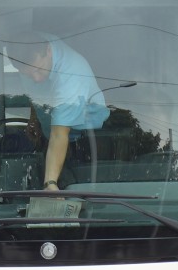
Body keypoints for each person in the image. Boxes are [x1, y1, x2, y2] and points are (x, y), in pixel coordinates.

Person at [8, 33, 110, 191]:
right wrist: (34, 118)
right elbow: (35, 94)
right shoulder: (30, 50)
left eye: (38, 70)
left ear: (48, 50)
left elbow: (59, 134)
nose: (36, 79)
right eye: (28, 74)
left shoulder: (71, 75)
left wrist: (50, 183)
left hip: (86, 141)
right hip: (54, 137)